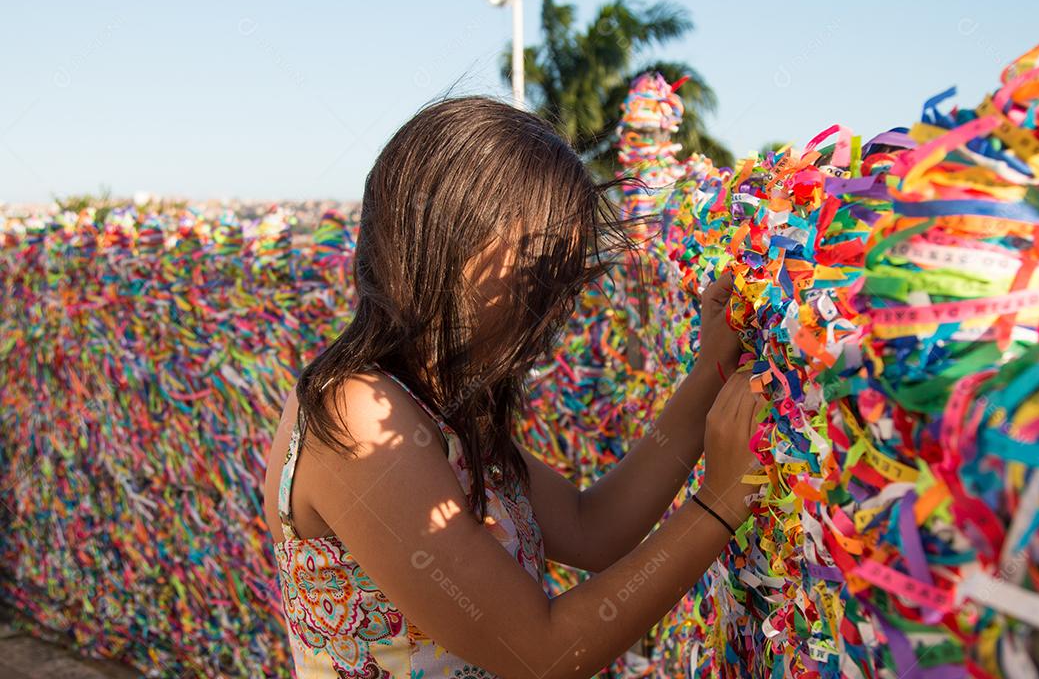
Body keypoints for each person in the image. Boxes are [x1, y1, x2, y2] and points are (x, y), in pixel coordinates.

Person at [261, 96, 760, 679]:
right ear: (445, 240)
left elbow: (590, 526)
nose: (556, 304)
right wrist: (718, 506)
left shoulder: (429, 406)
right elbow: (540, 652)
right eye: (540, 270)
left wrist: (711, 375)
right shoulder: (357, 418)